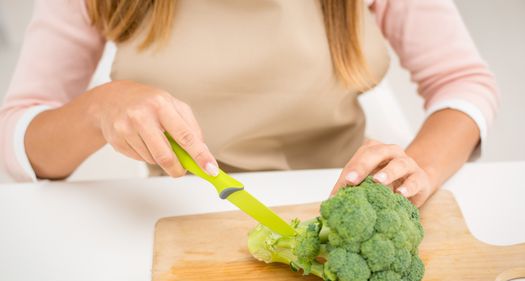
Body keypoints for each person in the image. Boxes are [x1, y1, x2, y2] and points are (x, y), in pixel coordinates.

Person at [0, 0, 498, 207]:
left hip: (336, 194)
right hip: (176, 209)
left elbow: (462, 81)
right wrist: (98, 108)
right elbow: (16, 139)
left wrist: (420, 169)